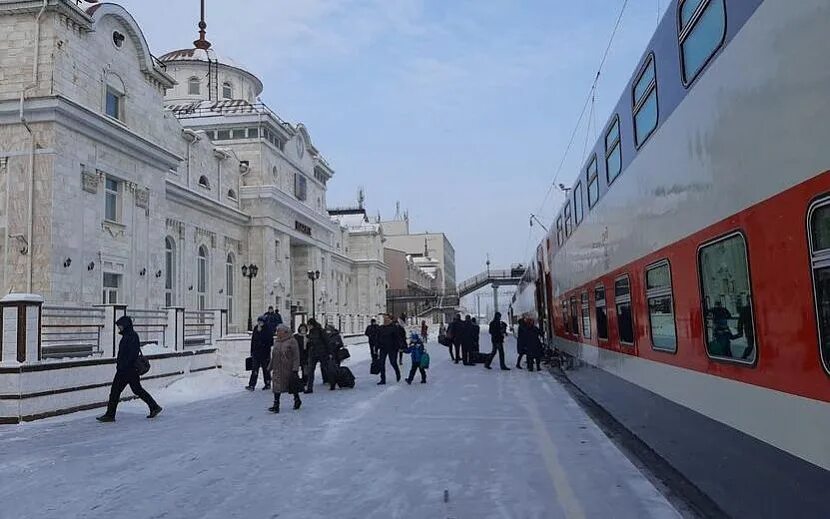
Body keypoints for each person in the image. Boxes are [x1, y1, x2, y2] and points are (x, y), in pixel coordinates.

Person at [96, 316, 162, 422]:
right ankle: (154, 406)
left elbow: (131, 354)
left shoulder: (131, 336)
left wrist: (122, 366)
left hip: (126, 370)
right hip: (128, 369)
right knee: (136, 390)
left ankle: (110, 415)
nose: (119, 328)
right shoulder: (129, 335)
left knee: (115, 392)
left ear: (125, 325)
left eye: (120, 326)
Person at [268, 324, 302, 413]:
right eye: (277, 331)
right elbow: (274, 356)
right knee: (276, 386)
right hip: (277, 368)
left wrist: (295, 368)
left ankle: (297, 399)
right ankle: (276, 405)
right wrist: (269, 367)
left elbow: (296, 356)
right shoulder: (277, 342)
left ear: (285, 332)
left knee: (291, 385)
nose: (277, 333)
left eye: (279, 331)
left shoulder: (292, 341)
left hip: (288, 368)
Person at [246, 316, 273, 391]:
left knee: (266, 369)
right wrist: (252, 351)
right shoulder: (255, 328)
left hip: (265, 353)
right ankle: (251, 385)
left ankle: (267, 383)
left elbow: (269, 341)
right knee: (254, 369)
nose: (259, 323)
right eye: (258, 321)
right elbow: (253, 340)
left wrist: (260, 333)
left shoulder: (267, 329)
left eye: (261, 321)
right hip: (256, 353)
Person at [304, 319, 331, 393]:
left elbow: (326, 341)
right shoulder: (310, 333)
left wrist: (329, 352)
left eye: (309, 325)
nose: (308, 327)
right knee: (310, 371)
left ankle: (332, 382)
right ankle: (309, 388)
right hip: (312, 353)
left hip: (321, 352)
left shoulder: (320, 331)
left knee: (326, 368)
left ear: (312, 325)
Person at [376, 314, 402, 385]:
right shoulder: (381, 328)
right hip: (383, 348)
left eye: (387, 319)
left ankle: (397, 373)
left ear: (390, 320)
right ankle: (383, 379)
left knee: (393, 362)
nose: (385, 320)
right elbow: (378, 338)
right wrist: (376, 347)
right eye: (384, 319)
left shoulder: (394, 327)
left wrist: (399, 347)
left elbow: (398, 338)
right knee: (381, 364)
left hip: (392, 348)